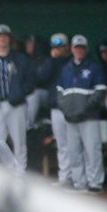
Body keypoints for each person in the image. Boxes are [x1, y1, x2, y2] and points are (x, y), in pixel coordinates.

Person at [0, 24, 33, 174]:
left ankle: (20, 173)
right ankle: (13, 167)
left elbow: (30, 81)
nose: (2, 38)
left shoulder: (20, 58)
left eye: (5, 35)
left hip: (16, 103)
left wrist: (20, 94)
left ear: (10, 38)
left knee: (19, 140)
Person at [57, 35, 107, 192]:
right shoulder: (66, 68)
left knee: (92, 150)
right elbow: (59, 93)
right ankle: (79, 183)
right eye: (76, 47)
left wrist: (84, 110)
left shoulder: (94, 67)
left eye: (81, 47)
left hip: (89, 116)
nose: (79, 50)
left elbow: (100, 92)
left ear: (86, 49)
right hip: (71, 118)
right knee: (73, 151)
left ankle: (95, 183)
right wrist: (66, 109)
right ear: (71, 48)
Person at [39, 33, 74, 186]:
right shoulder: (50, 62)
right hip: (56, 107)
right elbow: (41, 77)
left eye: (60, 46)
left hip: (72, 108)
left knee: (76, 143)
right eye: (55, 47)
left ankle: (78, 177)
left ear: (67, 47)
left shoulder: (73, 62)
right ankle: (64, 178)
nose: (57, 50)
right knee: (62, 145)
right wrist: (52, 60)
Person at [23, 34, 48, 129]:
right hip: (30, 92)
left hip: (47, 94)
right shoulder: (27, 60)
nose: (27, 45)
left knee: (34, 94)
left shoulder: (45, 60)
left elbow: (41, 79)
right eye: (27, 43)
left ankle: (27, 126)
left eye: (30, 43)